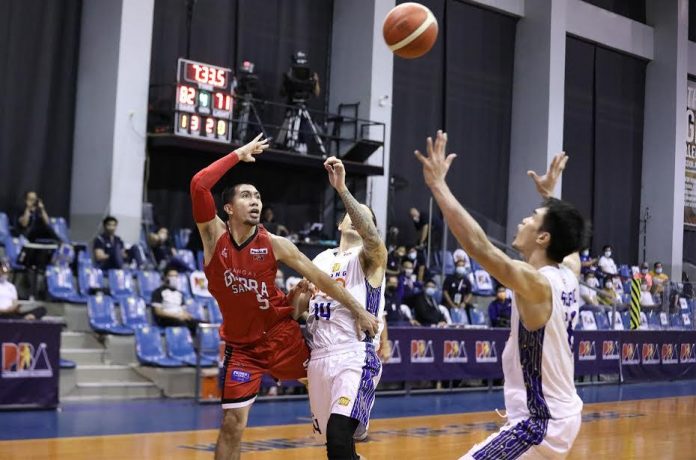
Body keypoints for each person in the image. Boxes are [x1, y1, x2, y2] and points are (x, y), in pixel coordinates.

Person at [189, 134, 377, 460]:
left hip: (283, 335)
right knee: (232, 423)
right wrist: (238, 154)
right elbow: (198, 184)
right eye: (246, 195)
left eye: (259, 196)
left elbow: (322, 279)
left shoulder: (275, 244)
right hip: (243, 347)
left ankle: (349, 437)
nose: (256, 201)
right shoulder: (212, 237)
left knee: (328, 378)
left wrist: (358, 308)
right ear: (229, 207)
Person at [415, 131, 586, 459]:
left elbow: (478, 246)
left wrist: (438, 184)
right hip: (560, 415)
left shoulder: (536, 283)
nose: (524, 219)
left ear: (543, 238)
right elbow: (573, 246)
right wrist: (549, 195)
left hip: (541, 423)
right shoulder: (570, 272)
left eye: (533, 217)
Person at [293, 156, 389, 459]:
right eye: (352, 213)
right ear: (339, 222)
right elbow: (301, 312)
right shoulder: (321, 259)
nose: (358, 217)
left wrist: (342, 189)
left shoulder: (370, 258)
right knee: (336, 448)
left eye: (365, 216)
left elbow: (371, 236)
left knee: (338, 434)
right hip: (320, 357)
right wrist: (300, 298)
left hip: (354, 354)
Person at [150, 268, 202, 336]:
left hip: (179, 317)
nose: (174, 278)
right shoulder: (158, 292)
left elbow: (183, 310)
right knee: (184, 325)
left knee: (201, 324)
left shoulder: (179, 293)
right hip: (167, 318)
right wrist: (176, 316)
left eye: (176, 276)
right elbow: (158, 312)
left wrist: (187, 315)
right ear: (165, 277)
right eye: (171, 276)